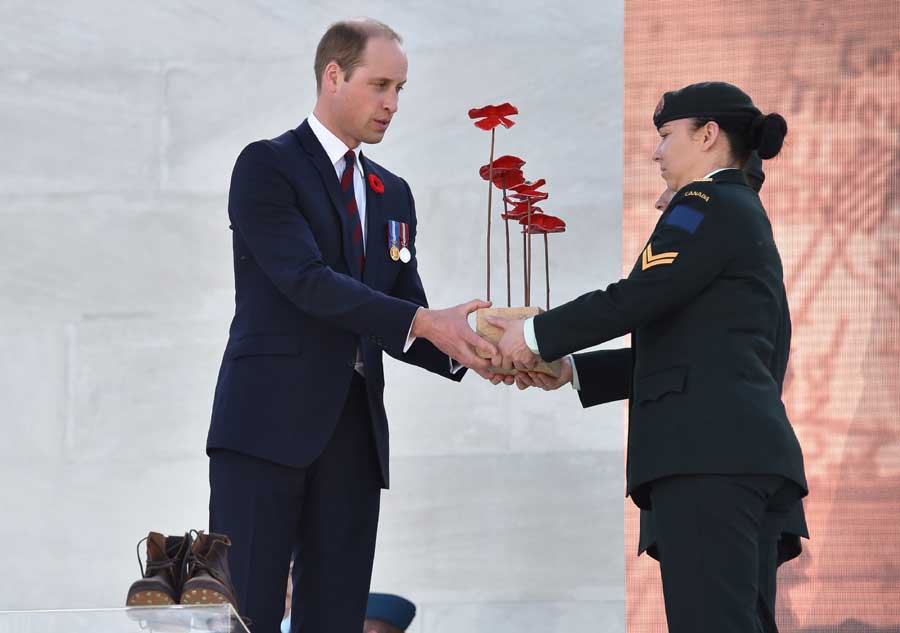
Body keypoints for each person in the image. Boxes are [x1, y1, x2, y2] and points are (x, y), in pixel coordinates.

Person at [206, 18, 498, 633]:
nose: (392, 105)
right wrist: (425, 321)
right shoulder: (266, 166)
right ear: (333, 76)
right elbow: (306, 281)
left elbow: (403, 313)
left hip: (354, 440)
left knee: (336, 618)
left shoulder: (392, 193)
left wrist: (477, 350)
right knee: (250, 615)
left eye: (401, 90)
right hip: (265, 430)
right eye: (381, 85)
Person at [490, 82, 808, 632]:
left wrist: (535, 335)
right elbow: (700, 353)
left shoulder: (705, 203)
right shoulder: (740, 212)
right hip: (736, 454)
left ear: (708, 135)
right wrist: (569, 371)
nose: (655, 152)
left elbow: (639, 294)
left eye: (665, 136)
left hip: (707, 458)